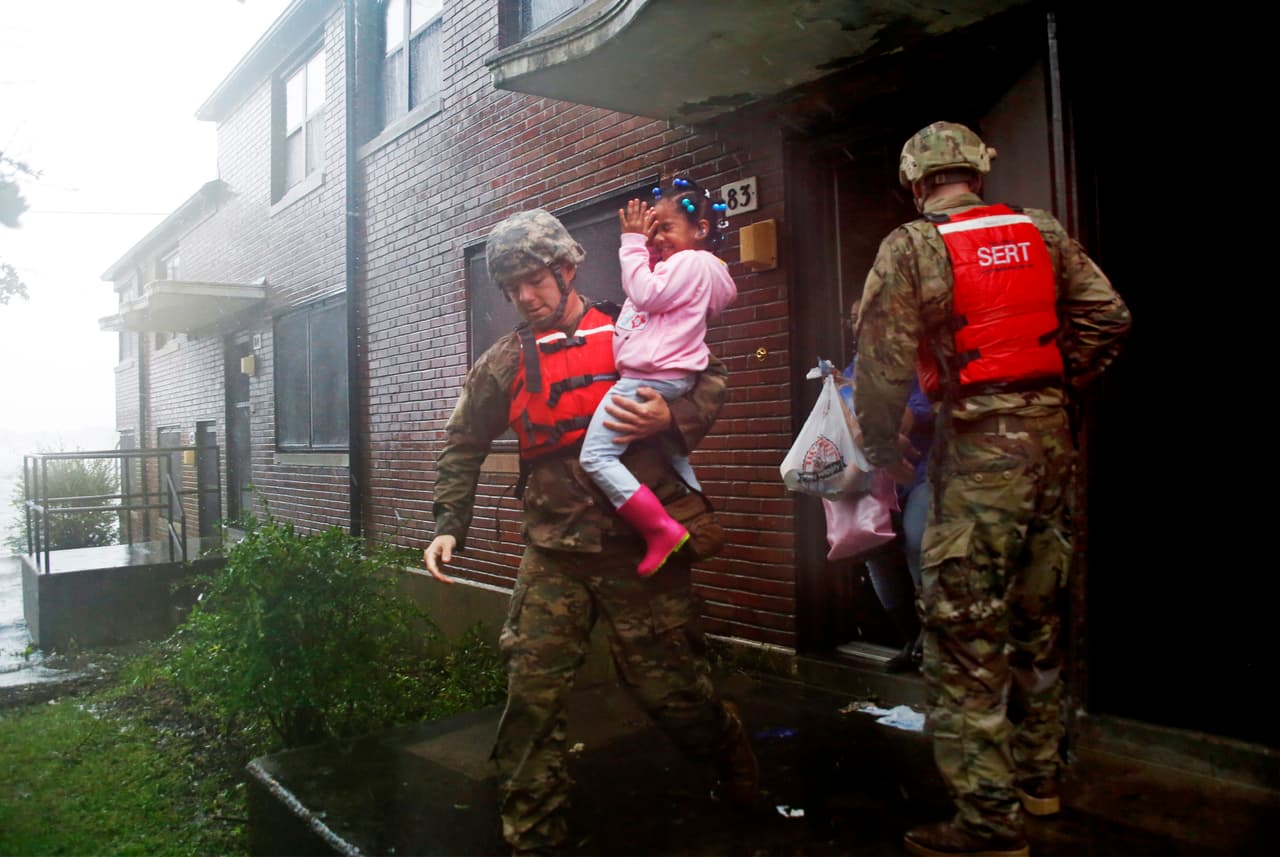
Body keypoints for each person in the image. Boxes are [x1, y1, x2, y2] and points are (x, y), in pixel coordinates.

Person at [423, 208, 758, 855]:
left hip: (639, 551)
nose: (525, 297)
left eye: (535, 280)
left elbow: (710, 376)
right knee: (532, 697)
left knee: (672, 694)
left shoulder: (634, 328)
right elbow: (462, 443)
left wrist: (672, 414)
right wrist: (448, 525)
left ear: (566, 269)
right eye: (512, 288)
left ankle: (727, 749)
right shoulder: (503, 362)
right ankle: (533, 834)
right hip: (553, 553)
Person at [853, 121, 1131, 857]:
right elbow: (1109, 317)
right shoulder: (1042, 232)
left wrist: (883, 449)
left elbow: (880, 366)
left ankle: (986, 821)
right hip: (1052, 447)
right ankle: (1039, 781)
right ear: (977, 175)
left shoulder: (913, 246)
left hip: (977, 452)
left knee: (965, 633)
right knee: (1038, 618)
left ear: (917, 183)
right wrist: (1052, 386)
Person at [579, 176, 737, 577]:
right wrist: (650, 251)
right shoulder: (693, 272)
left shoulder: (691, 262)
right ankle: (697, 518)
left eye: (666, 228)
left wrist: (632, 243)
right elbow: (647, 307)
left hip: (647, 378)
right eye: (654, 230)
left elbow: (645, 294)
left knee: (596, 457)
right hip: (669, 378)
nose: (658, 238)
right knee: (675, 456)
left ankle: (660, 530)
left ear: (701, 229)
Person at [843, 300, 933, 673]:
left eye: (867, 317)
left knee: (918, 542)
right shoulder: (853, 370)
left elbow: (912, 416)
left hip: (921, 473)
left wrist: (877, 427)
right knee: (875, 550)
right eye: (854, 319)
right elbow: (848, 422)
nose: (859, 325)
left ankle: (931, 641)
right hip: (875, 480)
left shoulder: (917, 360)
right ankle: (910, 639)